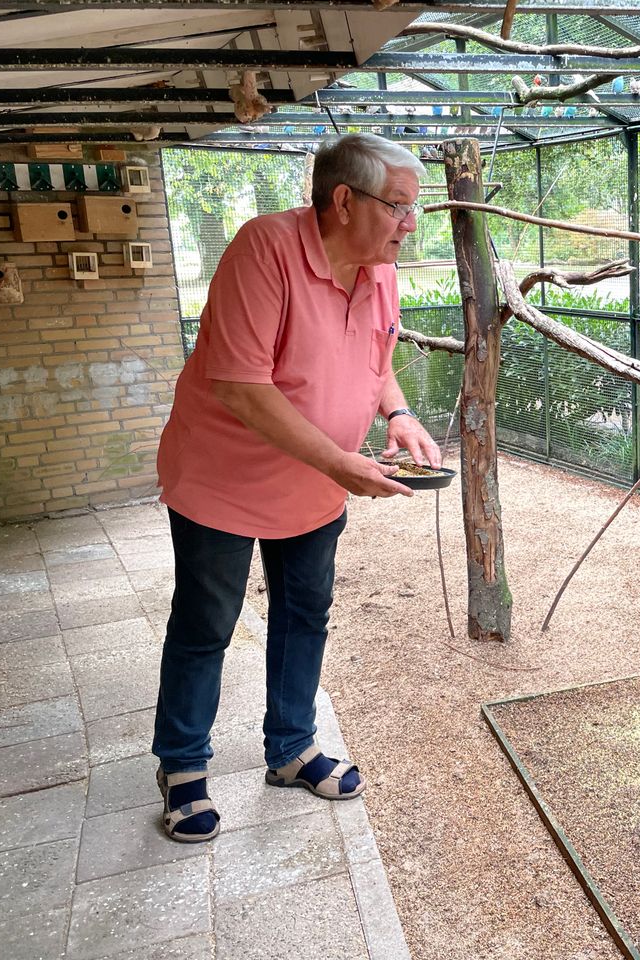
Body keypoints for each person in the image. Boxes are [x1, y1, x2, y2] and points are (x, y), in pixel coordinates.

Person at [152, 133, 442, 843]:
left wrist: (396, 414)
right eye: (399, 207)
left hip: (315, 485)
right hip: (223, 482)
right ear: (344, 201)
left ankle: (291, 747)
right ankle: (183, 766)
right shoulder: (265, 249)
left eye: (415, 210)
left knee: (305, 612)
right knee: (206, 626)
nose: (411, 225)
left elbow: (377, 361)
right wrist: (342, 464)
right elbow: (239, 385)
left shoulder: (381, 267)